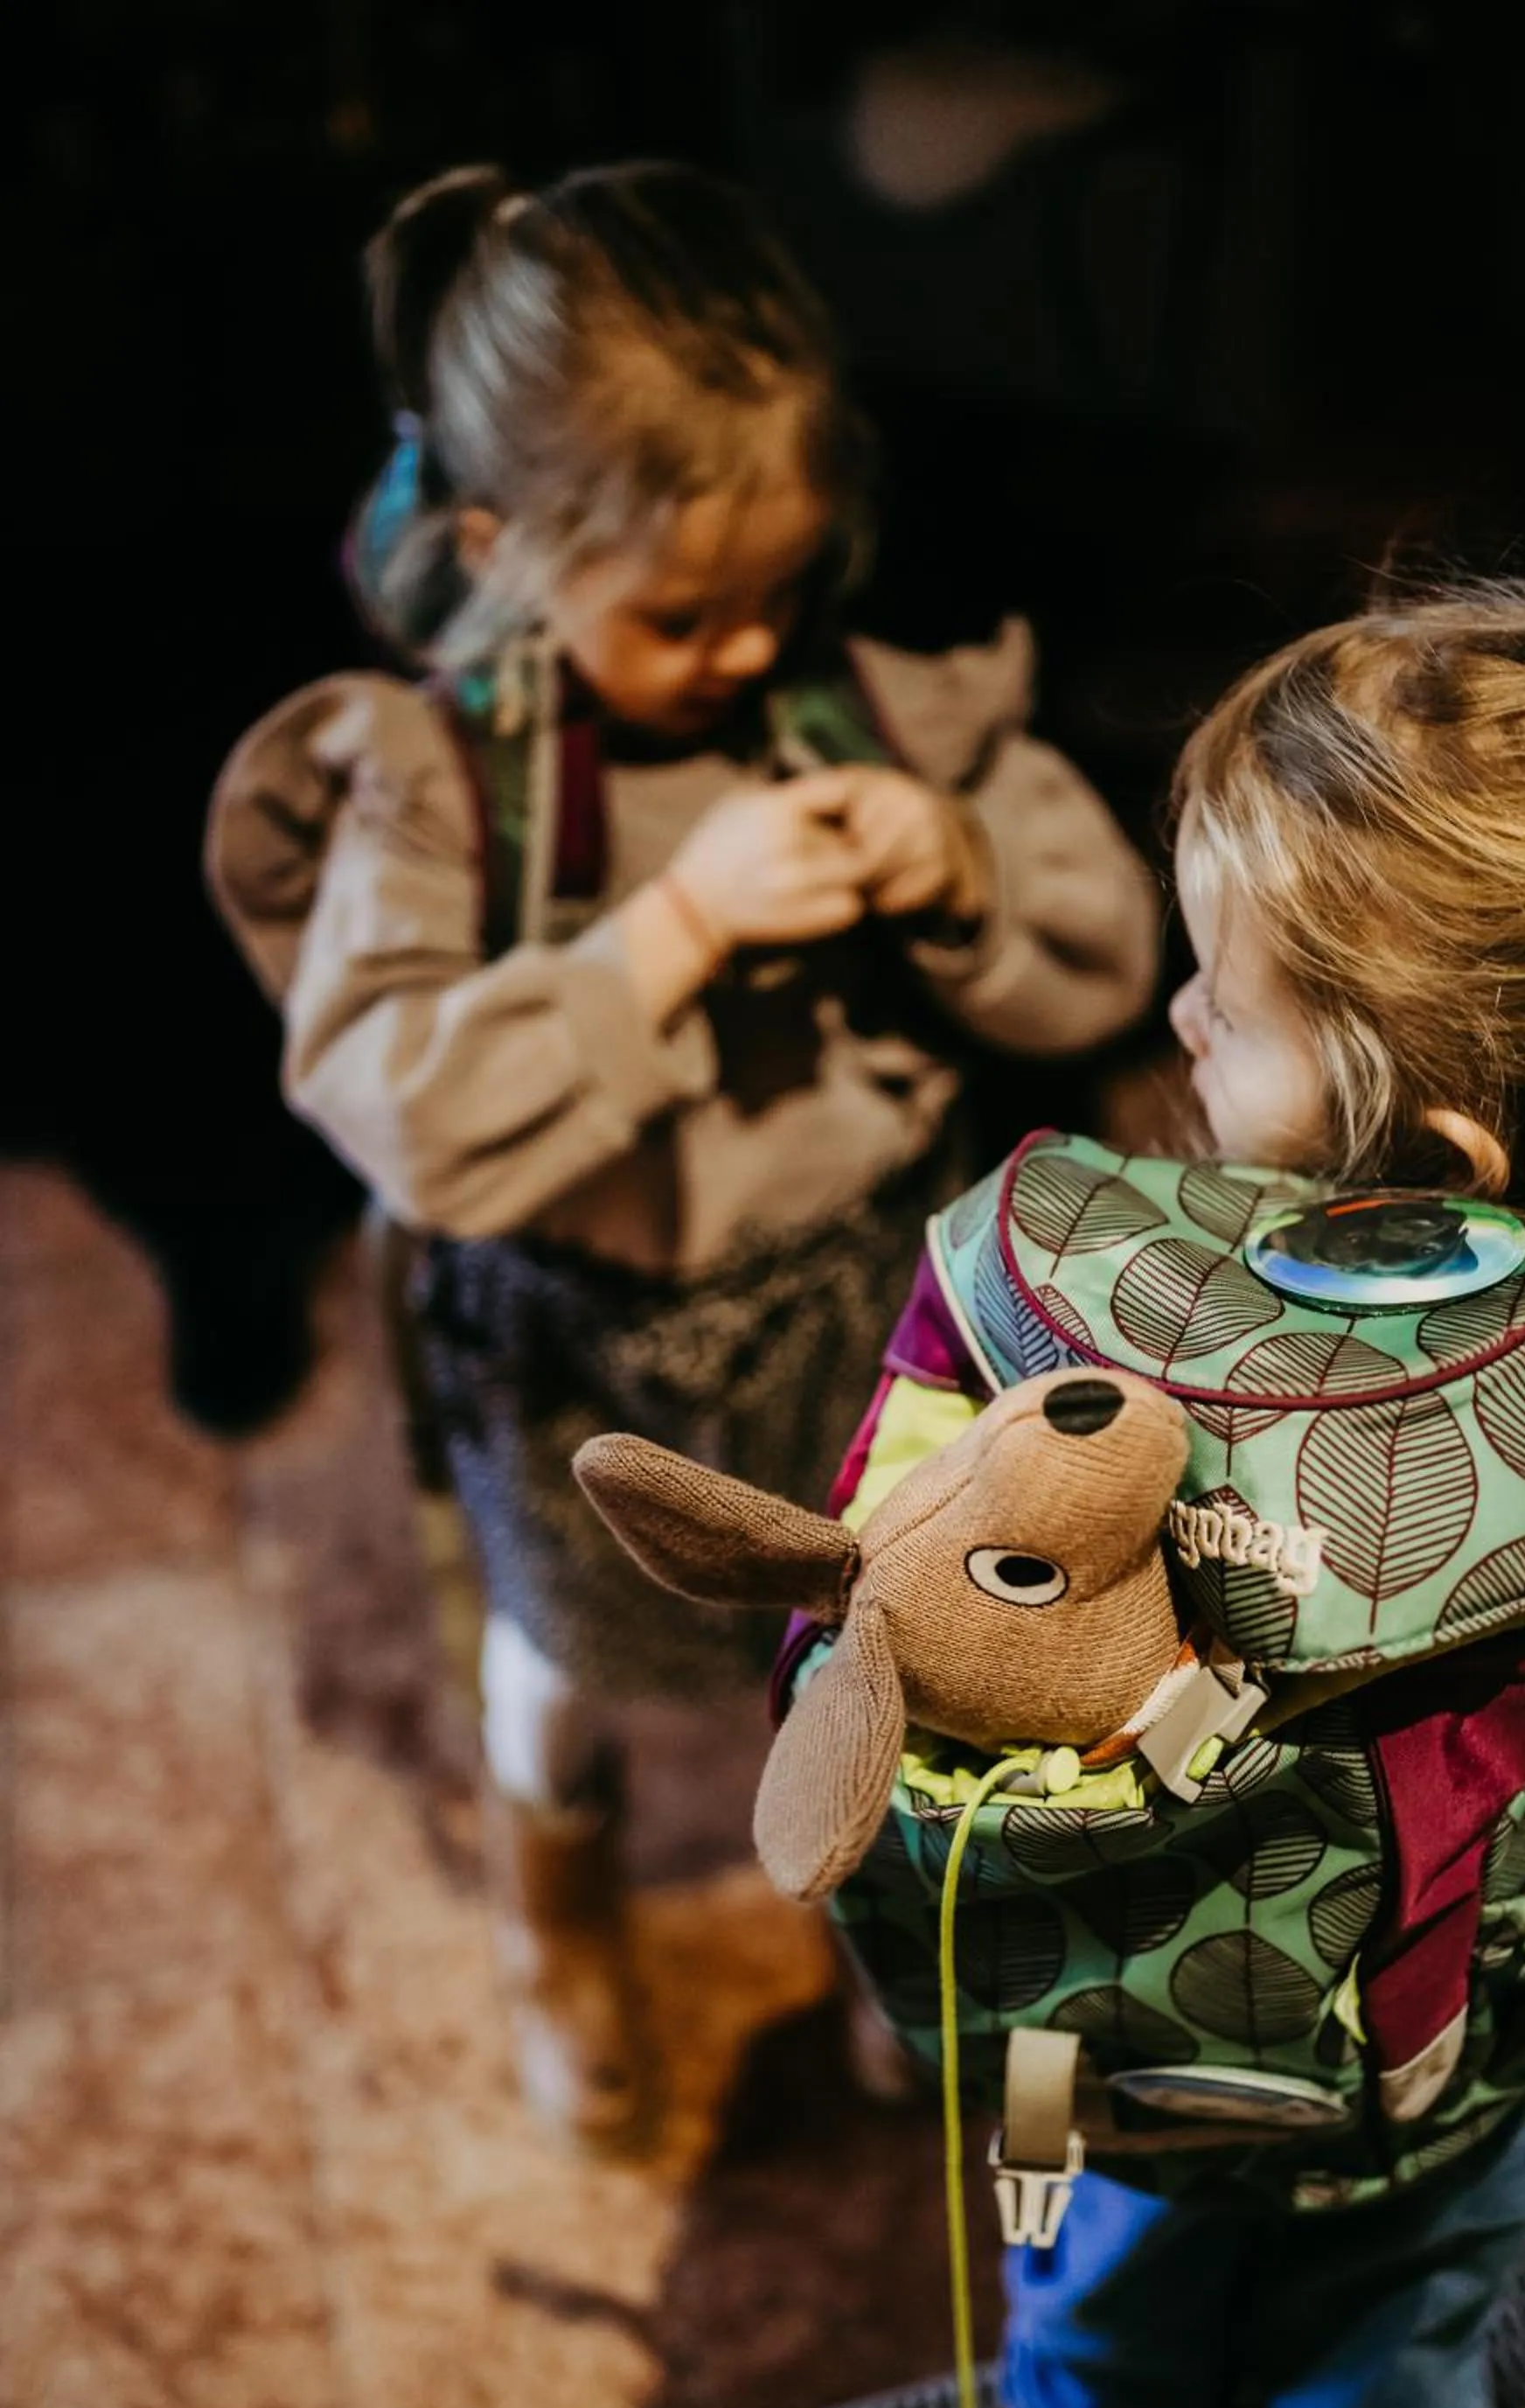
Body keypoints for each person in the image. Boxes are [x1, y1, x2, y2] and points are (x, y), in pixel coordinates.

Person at [811, 537, 1525, 2408]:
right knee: (1386, 2360)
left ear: (1424, 1157)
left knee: (1088, 2283)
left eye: (1222, 1007)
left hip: (1095, 2049)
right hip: (1460, 2067)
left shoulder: (1094, 1335)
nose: (1169, 1018)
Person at [205, 159, 1161, 2146]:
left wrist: (957, 858)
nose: (738, 652)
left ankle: (891, 1915)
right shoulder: (426, 788)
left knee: (885, 1632)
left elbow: (1096, 956)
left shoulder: (863, 702)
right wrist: (671, 930)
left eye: (775, 593)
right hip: (590, 1353)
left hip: (865, 1303)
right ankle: (562, 1906)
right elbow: (391, 1097)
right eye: (676, 613)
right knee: (560, 1665)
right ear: (496, 547)